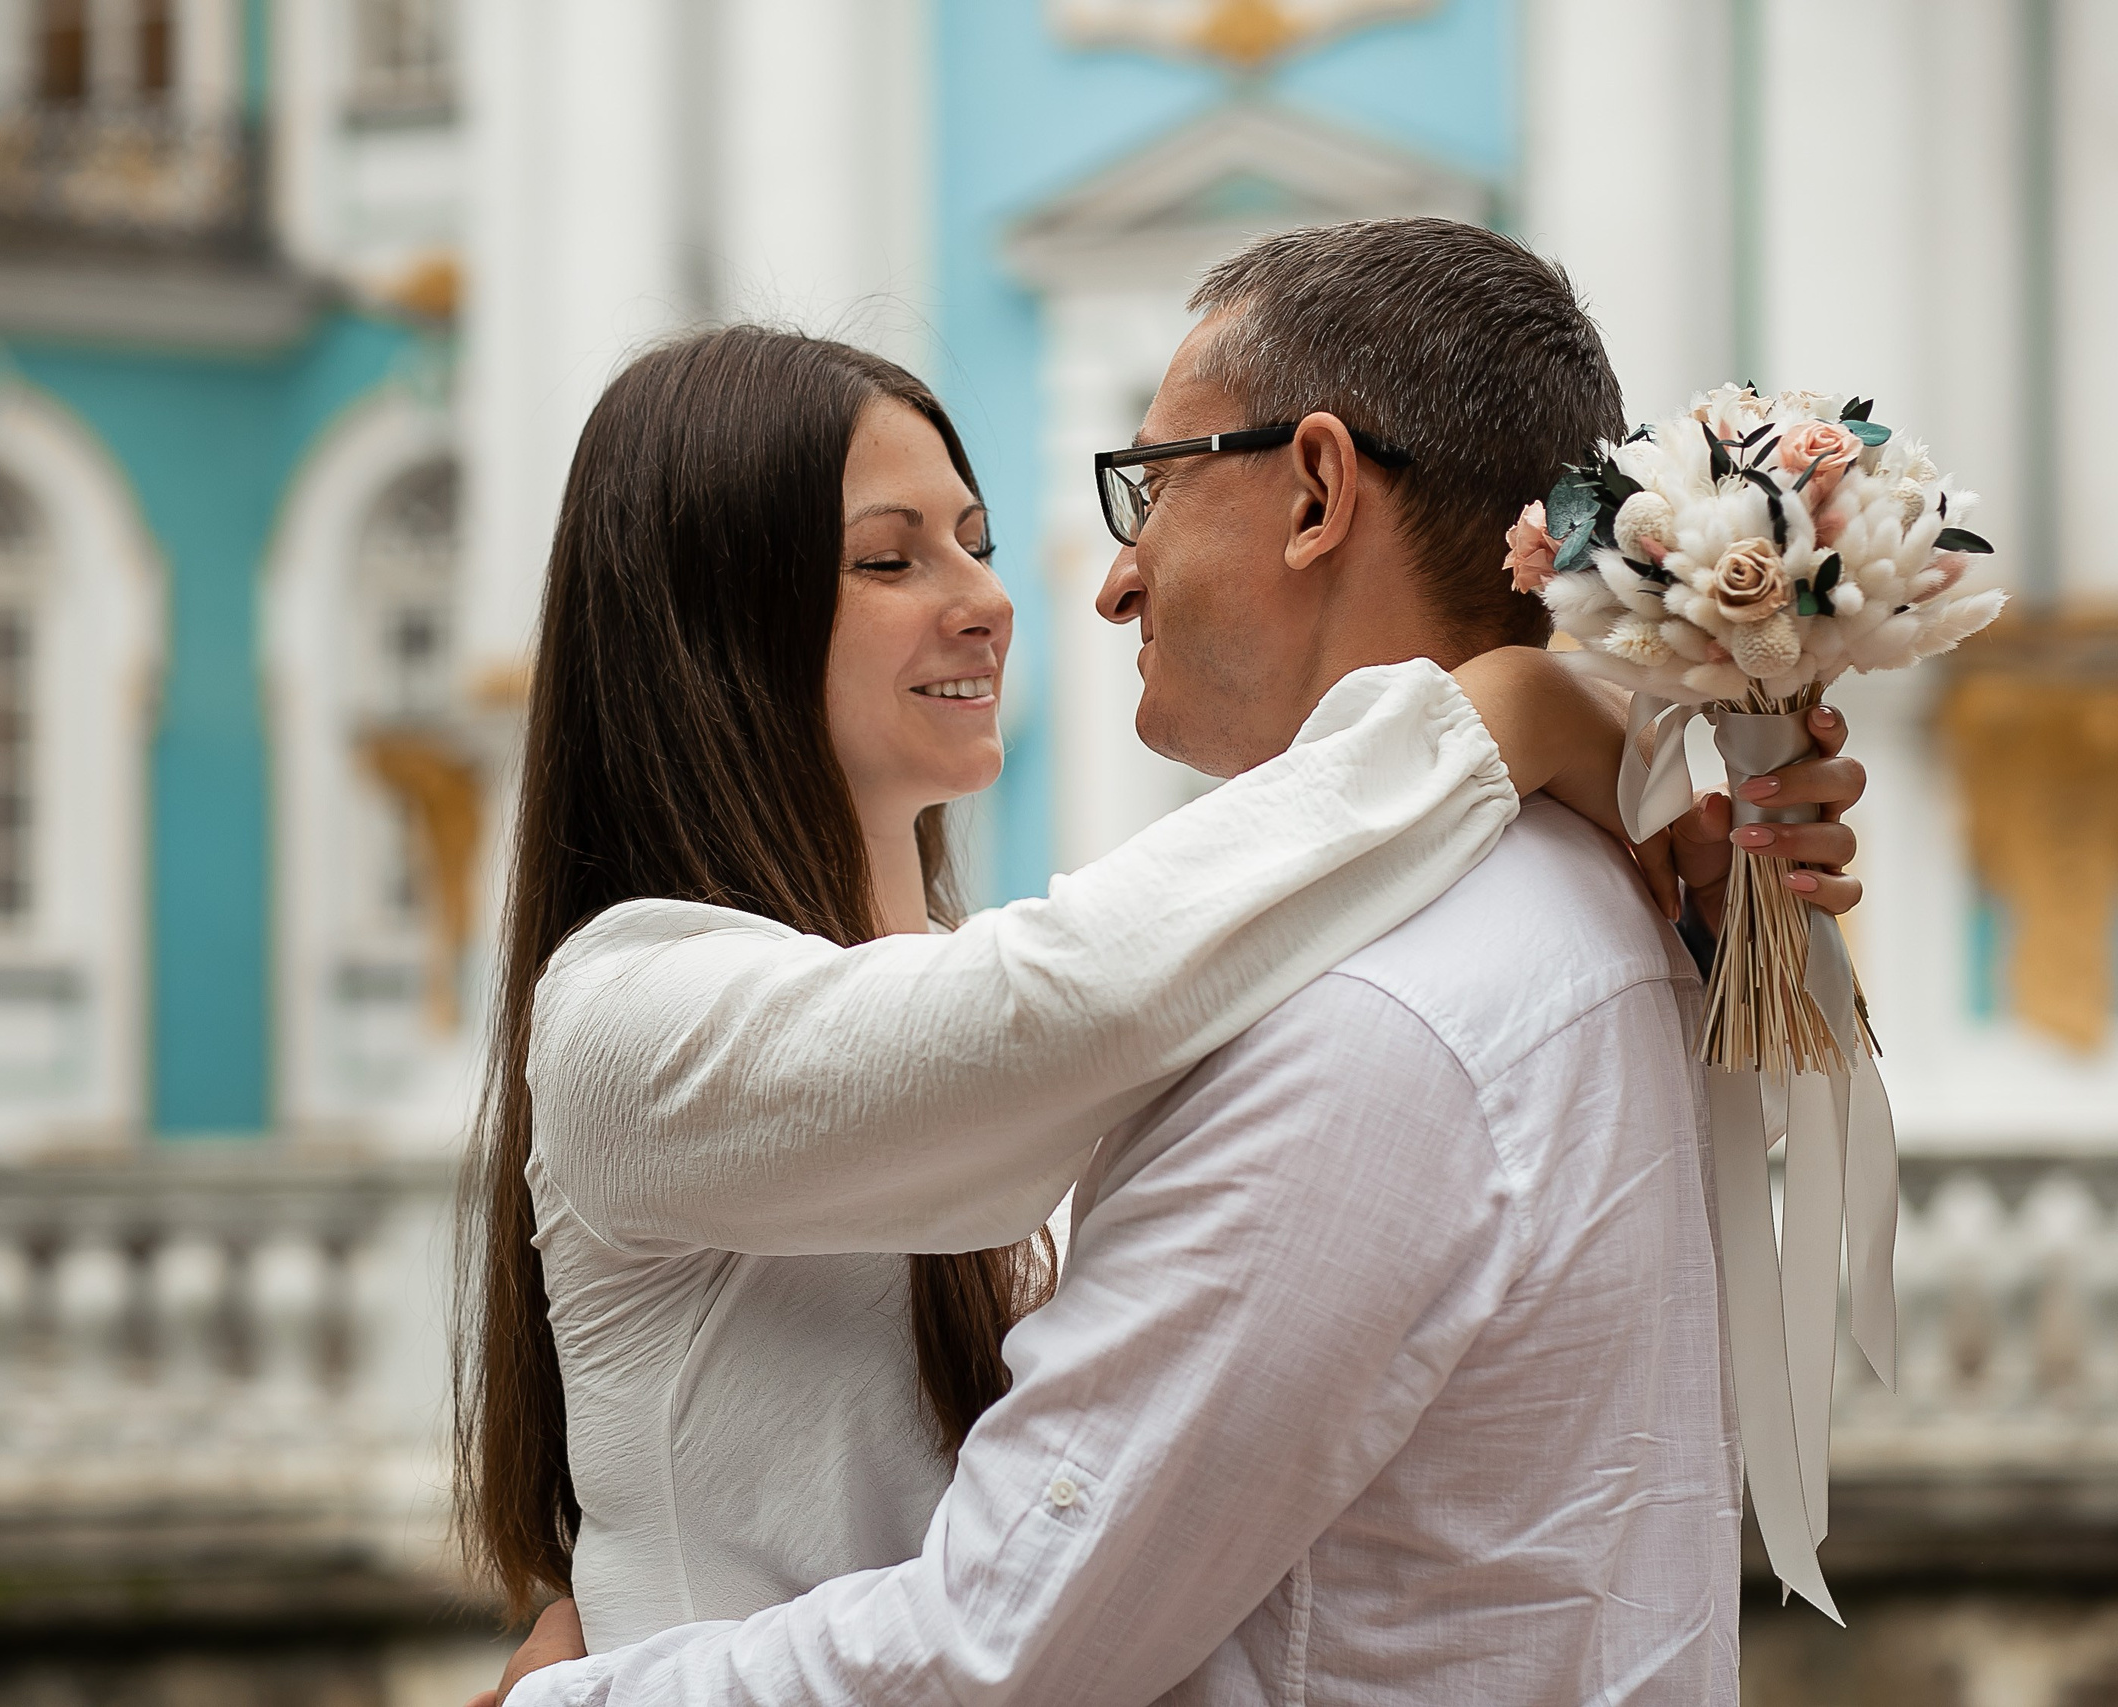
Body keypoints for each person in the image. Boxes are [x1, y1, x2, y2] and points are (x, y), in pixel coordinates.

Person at [496, 219, 1867, 1705]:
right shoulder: (632, 1015)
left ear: (1318, 490)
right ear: (713, 631)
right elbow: (1054, 1003)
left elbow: (1016, 1621)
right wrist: (1504, 720)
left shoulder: (1356, 1013)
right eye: (888, 558)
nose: (1042, 595)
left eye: (980, 539)